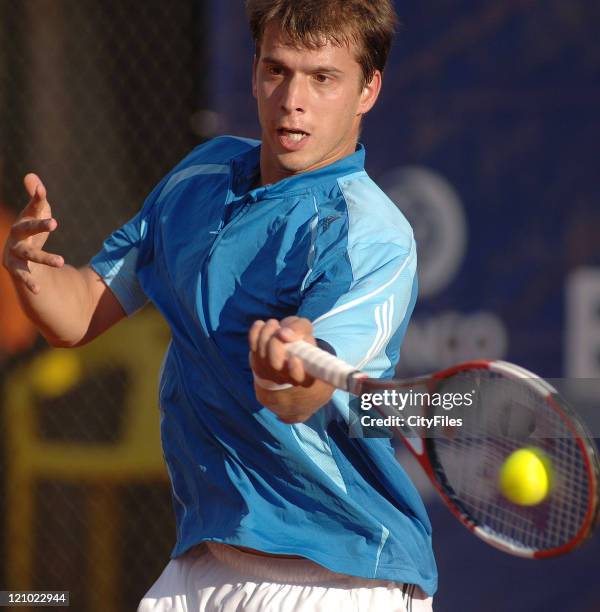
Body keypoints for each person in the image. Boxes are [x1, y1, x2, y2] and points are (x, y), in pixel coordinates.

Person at [3, 1, 437, 610]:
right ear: (254, 71)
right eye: (277, 70)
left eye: (323, 78)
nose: (293, 99)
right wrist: (27, 272)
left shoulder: (369, 234)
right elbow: (79, 314)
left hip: (338, 577)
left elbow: (301, 394)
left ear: (369, 90)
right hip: (202, 561)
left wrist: (283, 370)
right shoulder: (197, 177)